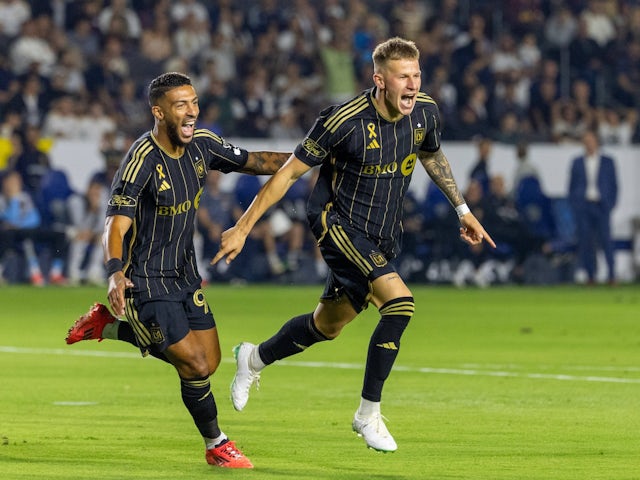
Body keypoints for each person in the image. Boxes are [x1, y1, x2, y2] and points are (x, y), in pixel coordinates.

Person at [212, 37, 495, 453]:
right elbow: (289, 173)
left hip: (381, 234)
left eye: (417, 75)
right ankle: (368, 415)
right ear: (379, 79)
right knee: (400, 305)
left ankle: (253, 358)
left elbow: (432, 155)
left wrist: (463, 209)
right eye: (404, 76)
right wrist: (242, 226)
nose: (413, 84)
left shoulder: (425, 113)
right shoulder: (343, 120)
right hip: (336, 223)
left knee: (327, 325)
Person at [64, 72, 290, 468]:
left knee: (211, 359)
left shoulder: (203, 144)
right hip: (143, 280)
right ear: (159, 112)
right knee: (195, 366)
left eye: (195, 103)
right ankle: (216, 444)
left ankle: (110, 327)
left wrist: (308, 159)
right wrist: (115, 272)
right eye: (182, 105)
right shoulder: (141, 160)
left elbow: (256, 162)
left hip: (185, 273)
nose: (192, 113)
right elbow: (115, 223)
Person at [568, 130, 618, 284]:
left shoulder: (608, 161)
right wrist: (576, 204)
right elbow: (572, 186)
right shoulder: (577, 162)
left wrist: (610, 204)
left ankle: (611, 275)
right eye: (586, 141)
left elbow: (614, 185)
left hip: (601, 206)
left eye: (591, 140)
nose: (589, 144)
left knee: (606, 241)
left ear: (597, 142)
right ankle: (591, 275)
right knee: (586, 242)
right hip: (584, 206)